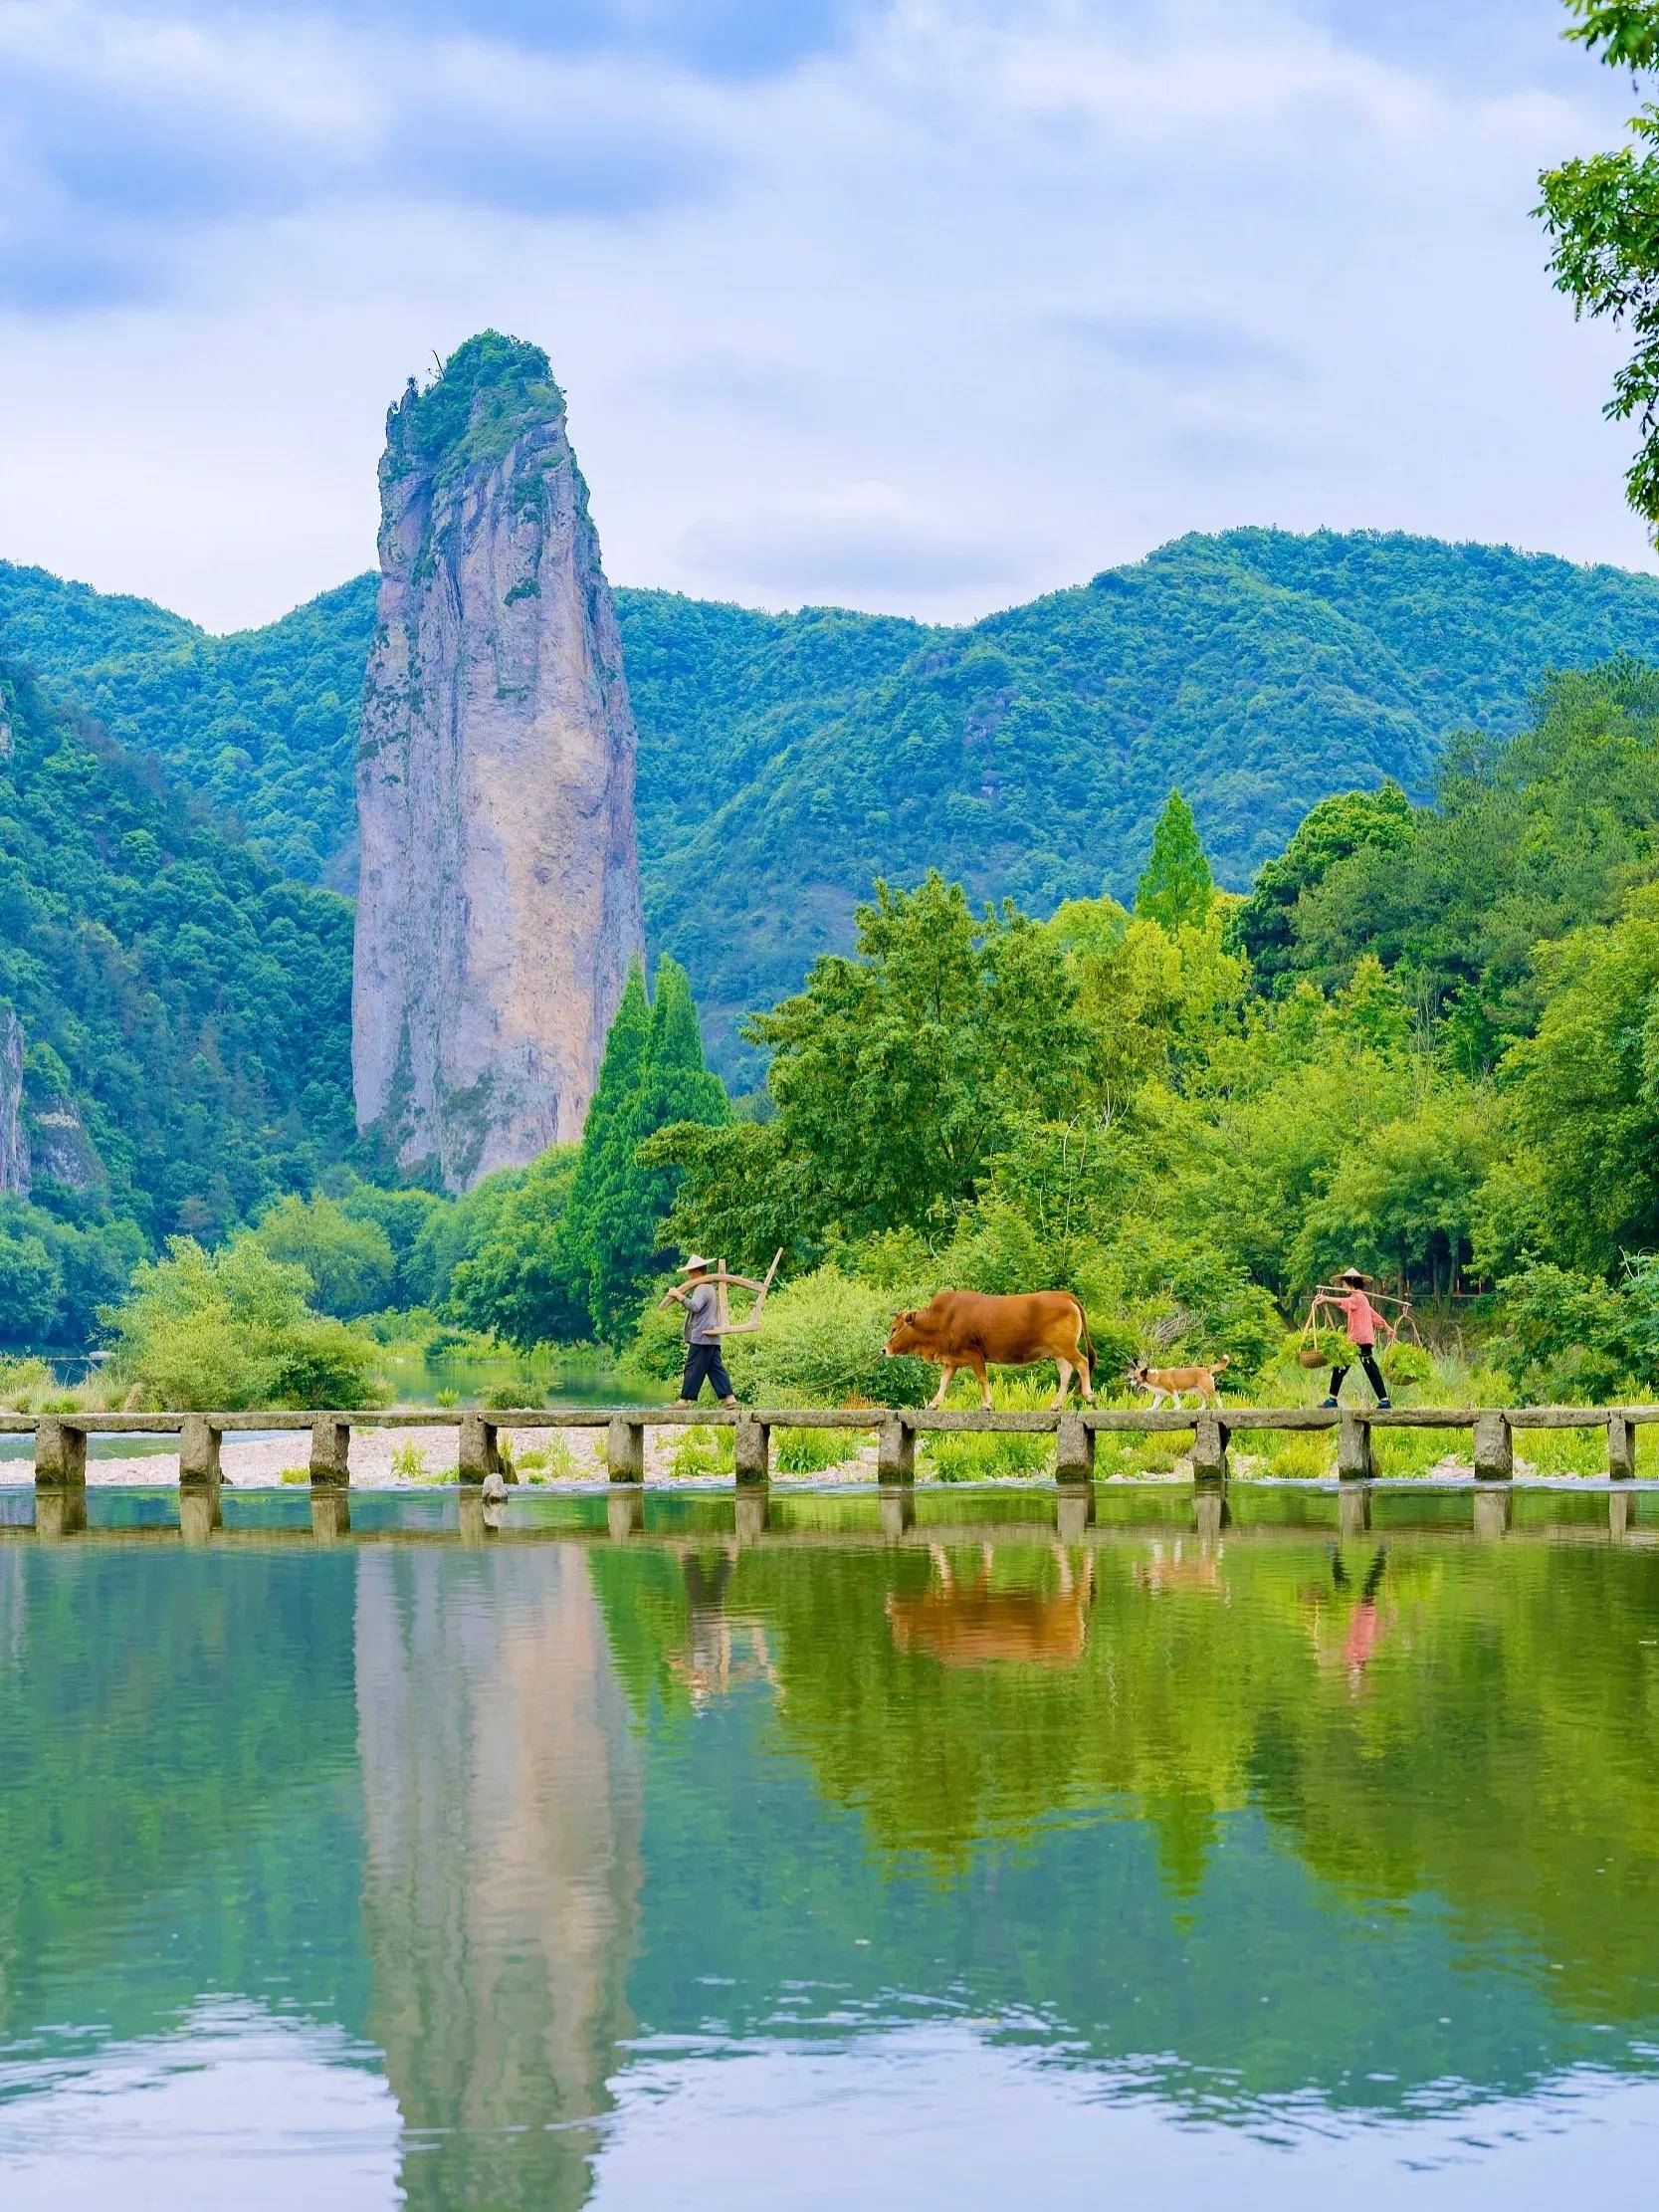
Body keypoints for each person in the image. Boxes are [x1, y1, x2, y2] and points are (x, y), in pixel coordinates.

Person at [660, 1254, 738, 1408]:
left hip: (702, 1337)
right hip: (711, 1337)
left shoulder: (702, 1288)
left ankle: (683, 1401)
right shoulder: (708, 1287)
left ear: (696, 1271)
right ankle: (730, 1399)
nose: (689, 1275)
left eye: (690, 1272)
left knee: (692, 1368)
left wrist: (678, 1296)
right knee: (715, 1369)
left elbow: (694, 1306)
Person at [1315, 1267, 1394, 1410]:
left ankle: (1384, 1401)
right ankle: (1333, 1400)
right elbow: (1372, 1314)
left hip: (1359, 1341)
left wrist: (1326, 1298)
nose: (1343, 1287)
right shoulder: (1360, 1299)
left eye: (1344, 1284)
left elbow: (1344, 1302)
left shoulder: (1358, 1298)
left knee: (1364, 1368)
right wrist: (1387, 1327)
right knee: (1343, 1367)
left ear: (1351, 1282)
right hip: (1356, 1341)